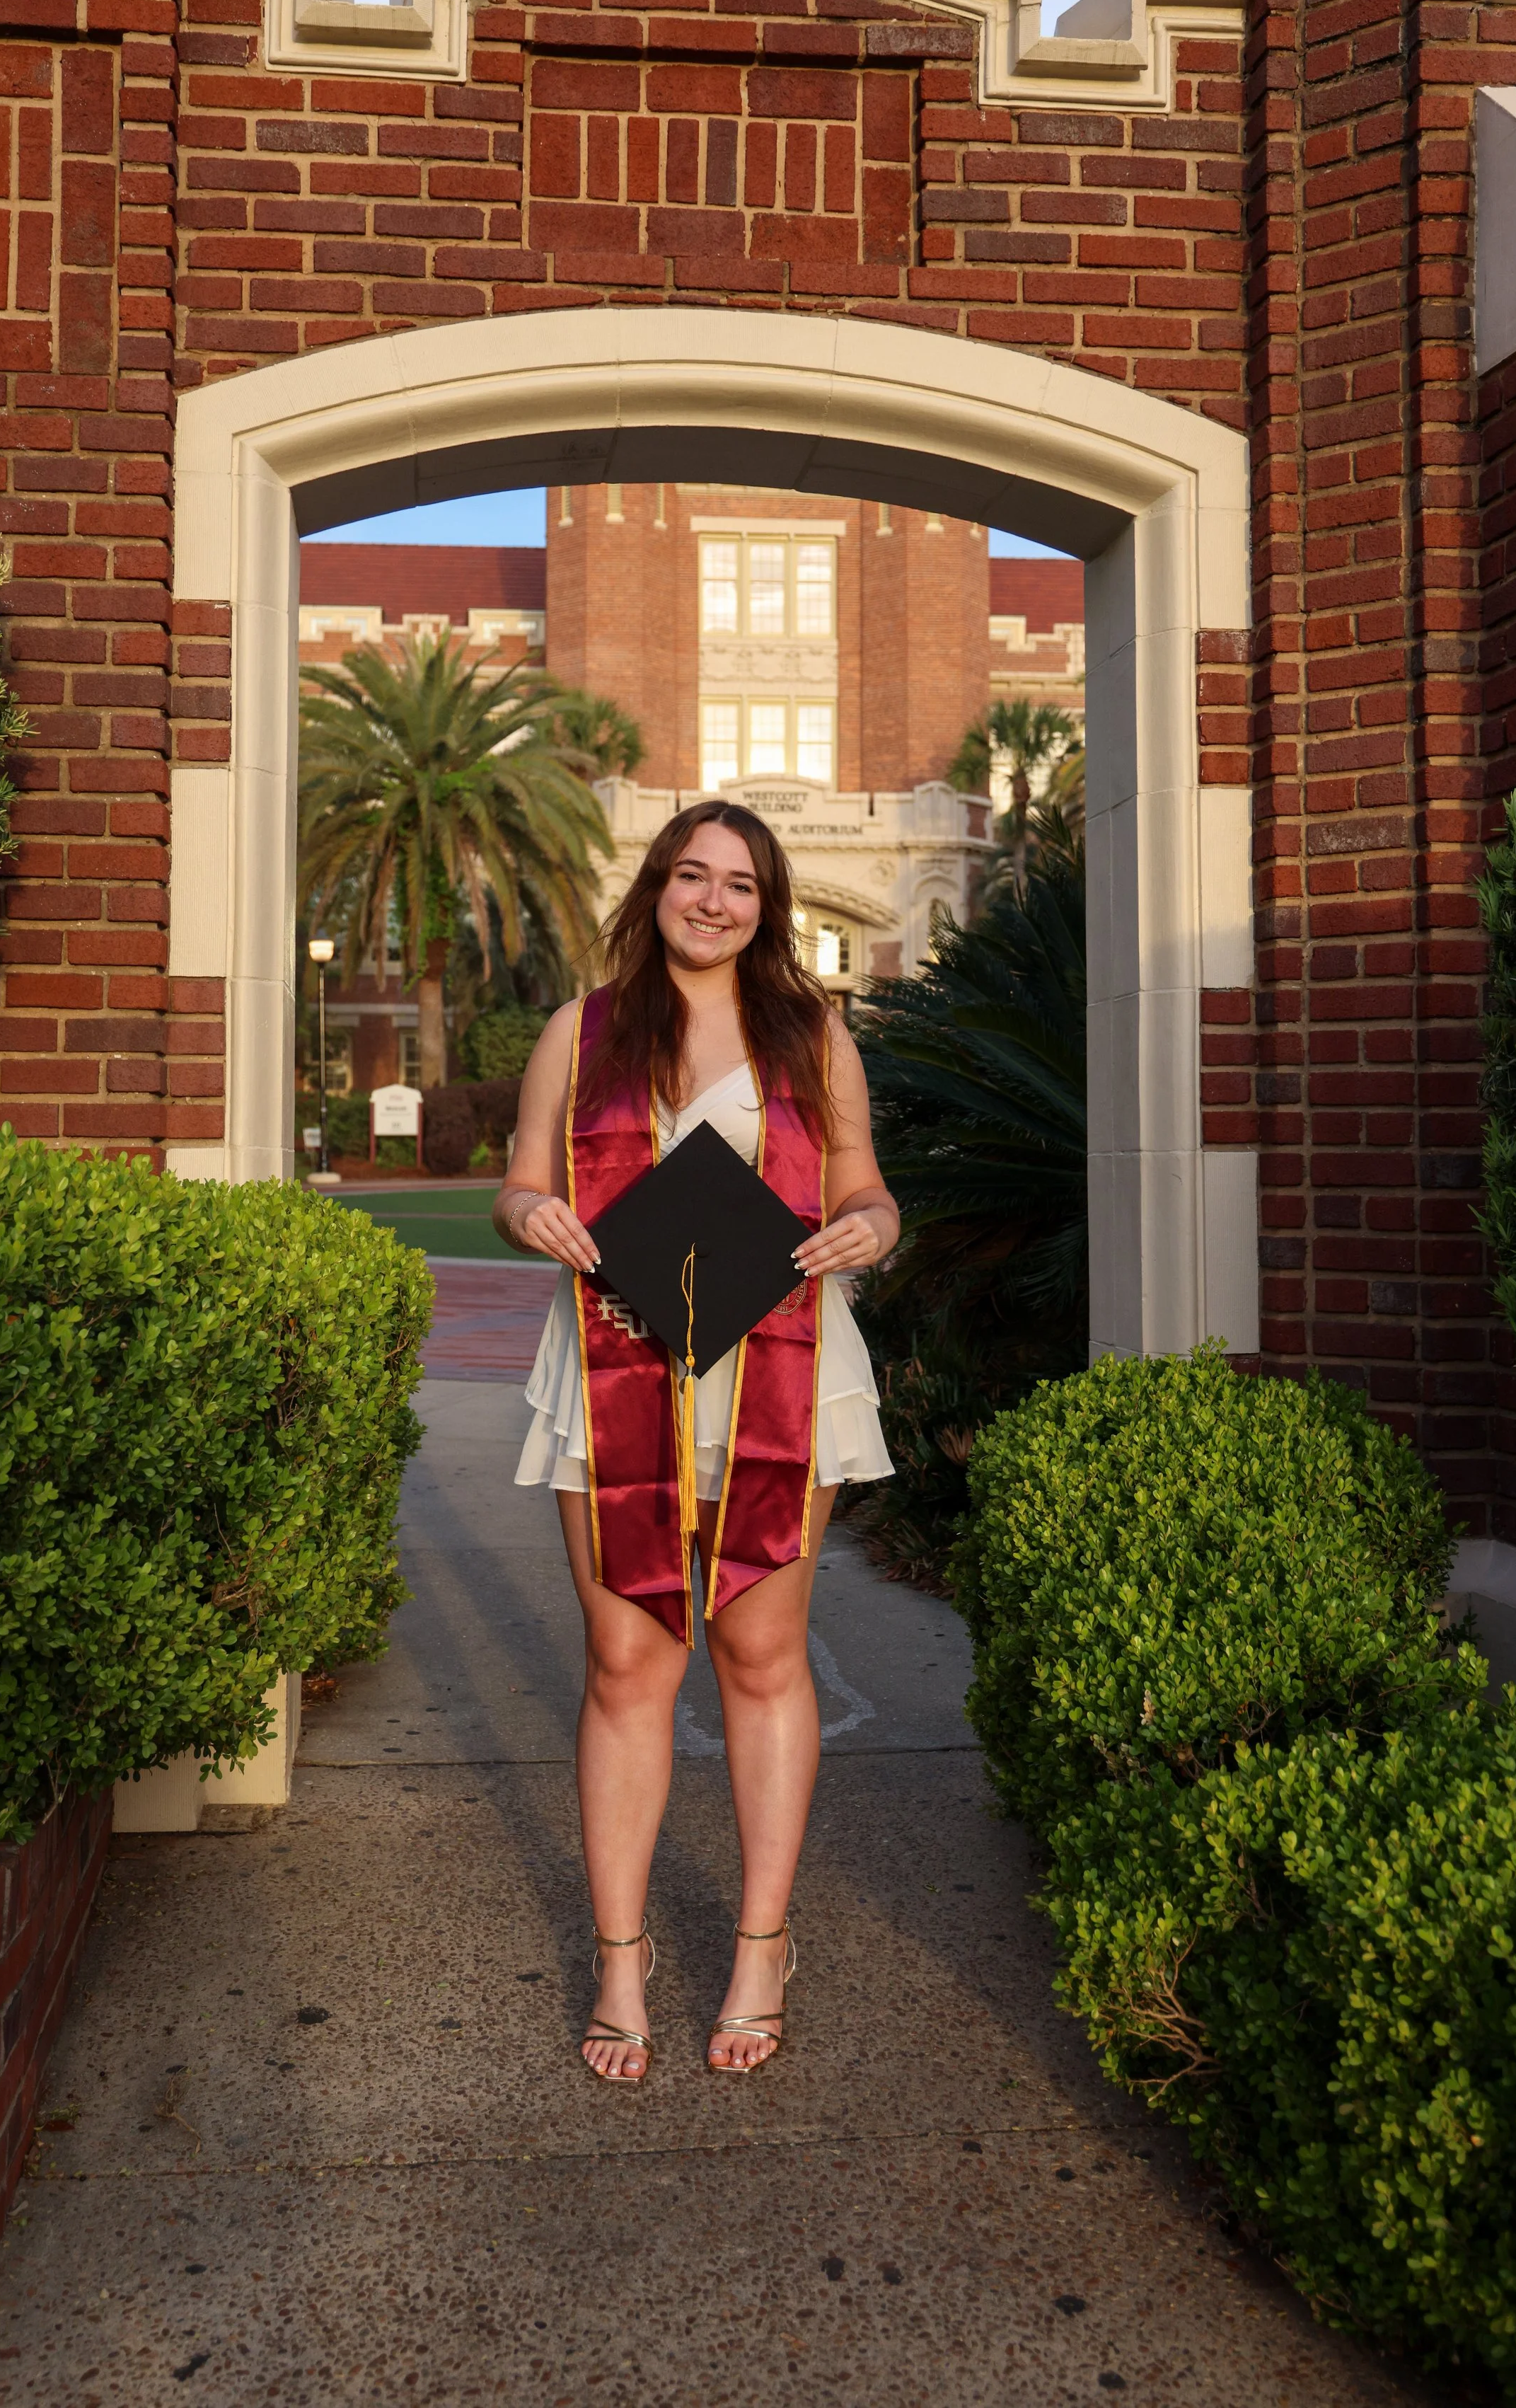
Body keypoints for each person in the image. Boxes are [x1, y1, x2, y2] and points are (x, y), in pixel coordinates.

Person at [492, 800, 899, 2082]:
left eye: (739, 884)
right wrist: (533, 1217)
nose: (713, 900)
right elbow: (517, 1181)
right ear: (655, 888)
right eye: (691, 875)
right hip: (616, 1367)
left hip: (777, 1368)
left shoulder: (811, 1035)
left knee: (764, 1653)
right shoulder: (584, 1030)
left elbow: (864, 1190)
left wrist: (870, 1232)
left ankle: (761, 1945)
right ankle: (624, 1961)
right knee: (626, 1658)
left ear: (768, 907)